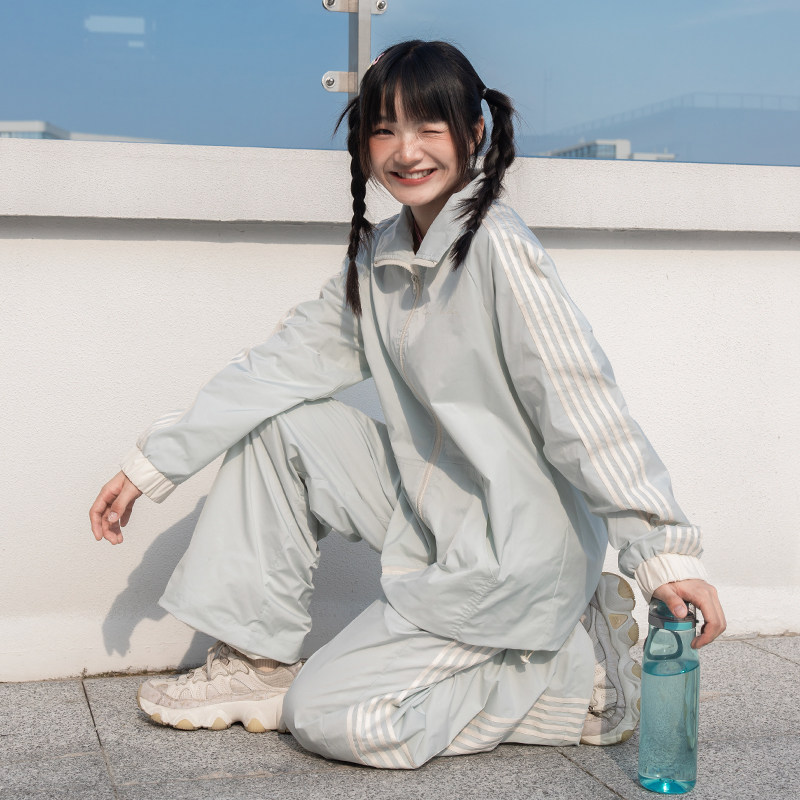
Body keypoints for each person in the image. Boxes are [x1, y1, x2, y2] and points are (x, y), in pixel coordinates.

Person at [90, 40, 725, 768]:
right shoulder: (381, 255)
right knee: (281, 426)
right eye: (385, 128)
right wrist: (152, 465)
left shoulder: (499, 250)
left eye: (430, 126)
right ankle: (256, 663)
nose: (406, 150)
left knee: (327, 718)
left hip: (515, 549)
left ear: (474, 133)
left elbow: (583, 408)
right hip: (437, 515)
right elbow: (278, 366)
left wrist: (661, 552)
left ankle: (572, 677)